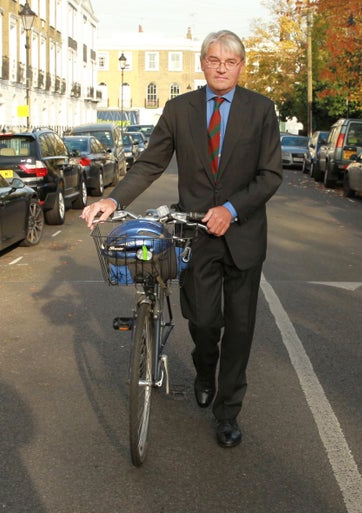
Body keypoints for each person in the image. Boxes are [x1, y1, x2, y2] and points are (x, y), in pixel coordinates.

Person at [82, 29, 283, 448]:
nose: (222, 68)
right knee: (205, 322)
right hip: (196, 235)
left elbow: (270, 175)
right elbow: (149, 163)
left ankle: (227, 412)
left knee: (241, 329)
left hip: (244, 235)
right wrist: (113, 200)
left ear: (241, 67)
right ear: (203, 63)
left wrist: (231, 210)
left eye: (230, 62)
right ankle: (204, 366)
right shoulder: (179, 109)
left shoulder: (261, 110)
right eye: (214, 60)